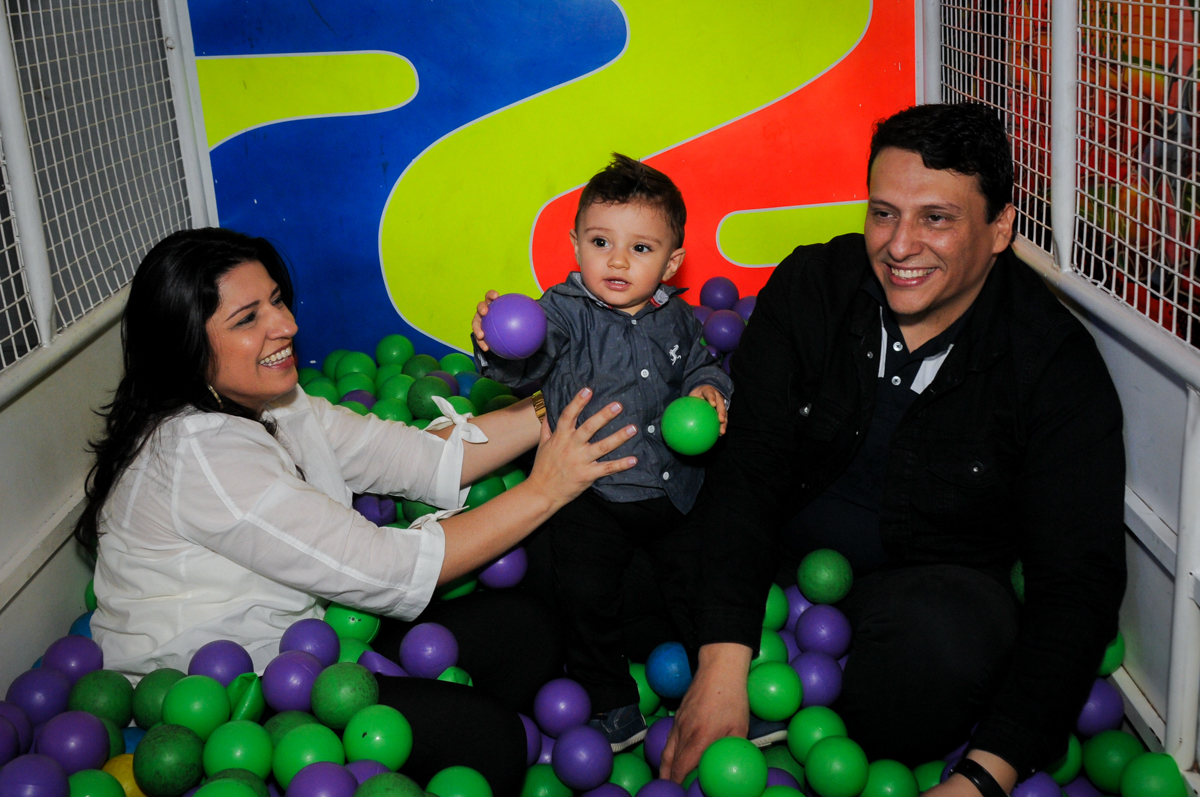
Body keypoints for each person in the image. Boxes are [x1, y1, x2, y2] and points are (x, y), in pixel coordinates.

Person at [662, 103, 1126, 794]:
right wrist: (724, 664)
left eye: (936, 218)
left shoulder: (1054, 366)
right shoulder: (813, 287)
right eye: (884, 212)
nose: (900, 245)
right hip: (767, 570)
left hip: (915, 599)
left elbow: (1076, 587)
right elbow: (749, 472)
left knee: (949, 648)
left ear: (1000, 228)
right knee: (614, 540)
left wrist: (984, 773)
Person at [77, 227, 639, 795]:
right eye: (247, 319)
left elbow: (422, 459)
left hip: (310, 644)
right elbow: (387, 569)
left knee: (527, 631)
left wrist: (567, 396)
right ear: (184, 346)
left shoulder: (275, 401)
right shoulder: (201, 452)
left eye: (276, 300)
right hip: (219, 703)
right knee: (489, 741)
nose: (286, 326)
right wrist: (547, 488)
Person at [471, 154, 733, 750]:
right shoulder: (561, 313)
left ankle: (716, 685)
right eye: (600, 241)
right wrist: (501, 345)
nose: (616, 260)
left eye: (641, 249)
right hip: (589, 491)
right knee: (586, 598)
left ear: (671, 261)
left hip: (674, 485)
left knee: (698, 586)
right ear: (575, 244)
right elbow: (528, 362)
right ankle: (612, 700)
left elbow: (699, 365)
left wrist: (711, 391)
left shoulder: (679, 317)